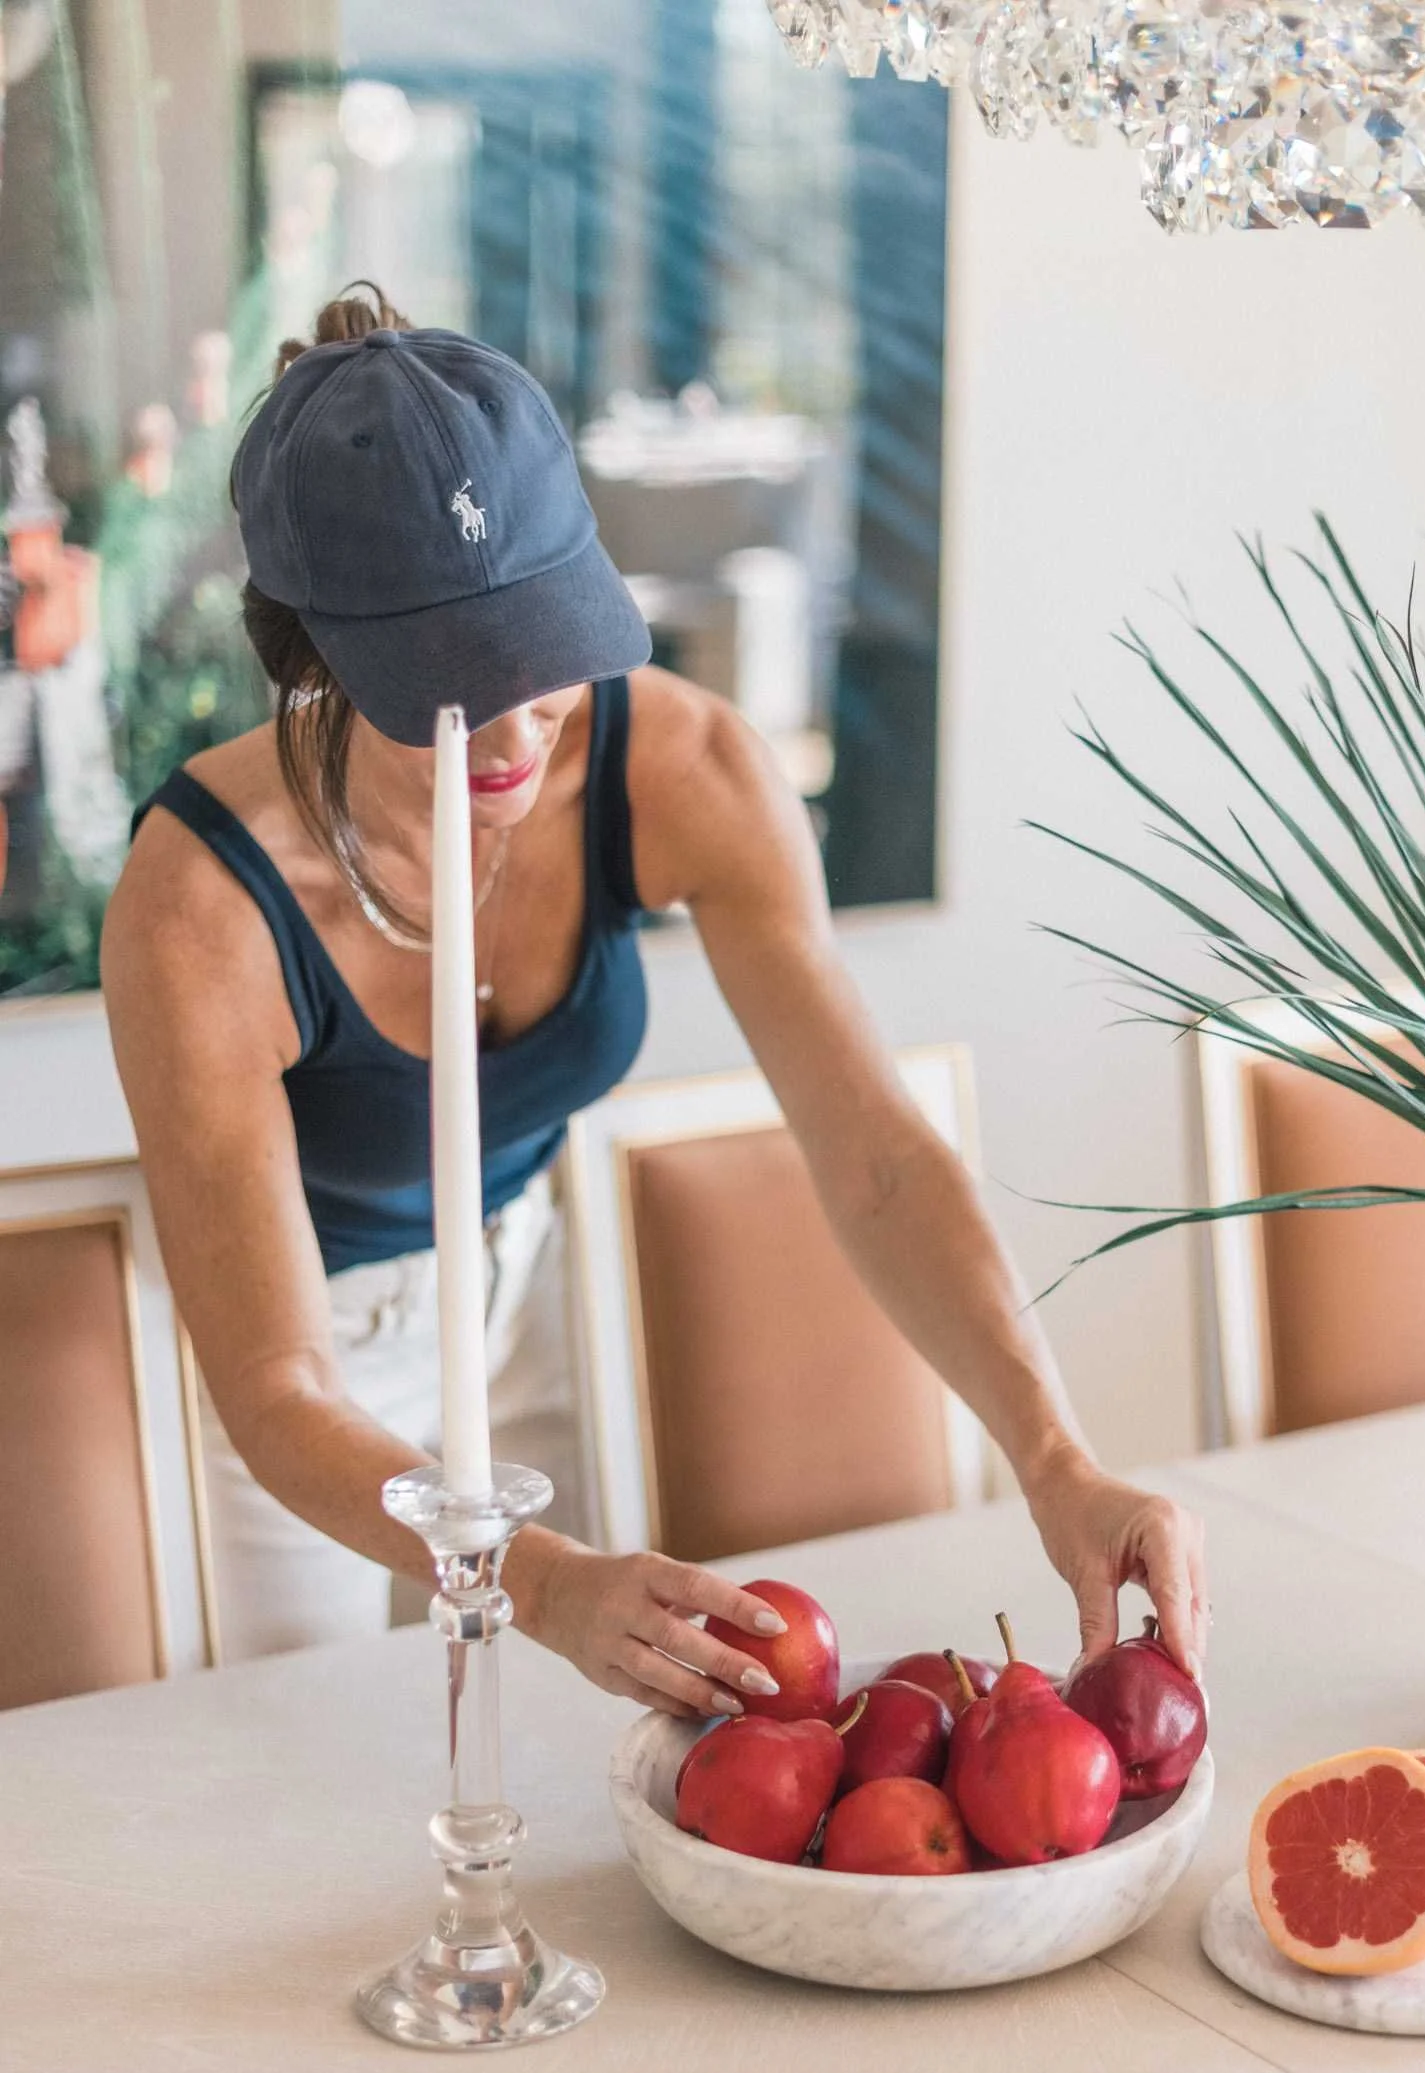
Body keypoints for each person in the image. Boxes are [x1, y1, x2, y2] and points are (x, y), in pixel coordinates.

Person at [102, 285, 1207, 1717]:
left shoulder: (684, 767)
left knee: (574, 1740)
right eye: (441, 675)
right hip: (315, 1365)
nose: (512, 728)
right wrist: (545, 1582)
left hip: (528, 1276)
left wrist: (1055, 1458)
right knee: (316, 1752)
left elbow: (870, 1156)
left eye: (537, 642)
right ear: (311, 655)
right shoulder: (199, 905)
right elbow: (274, 1378)